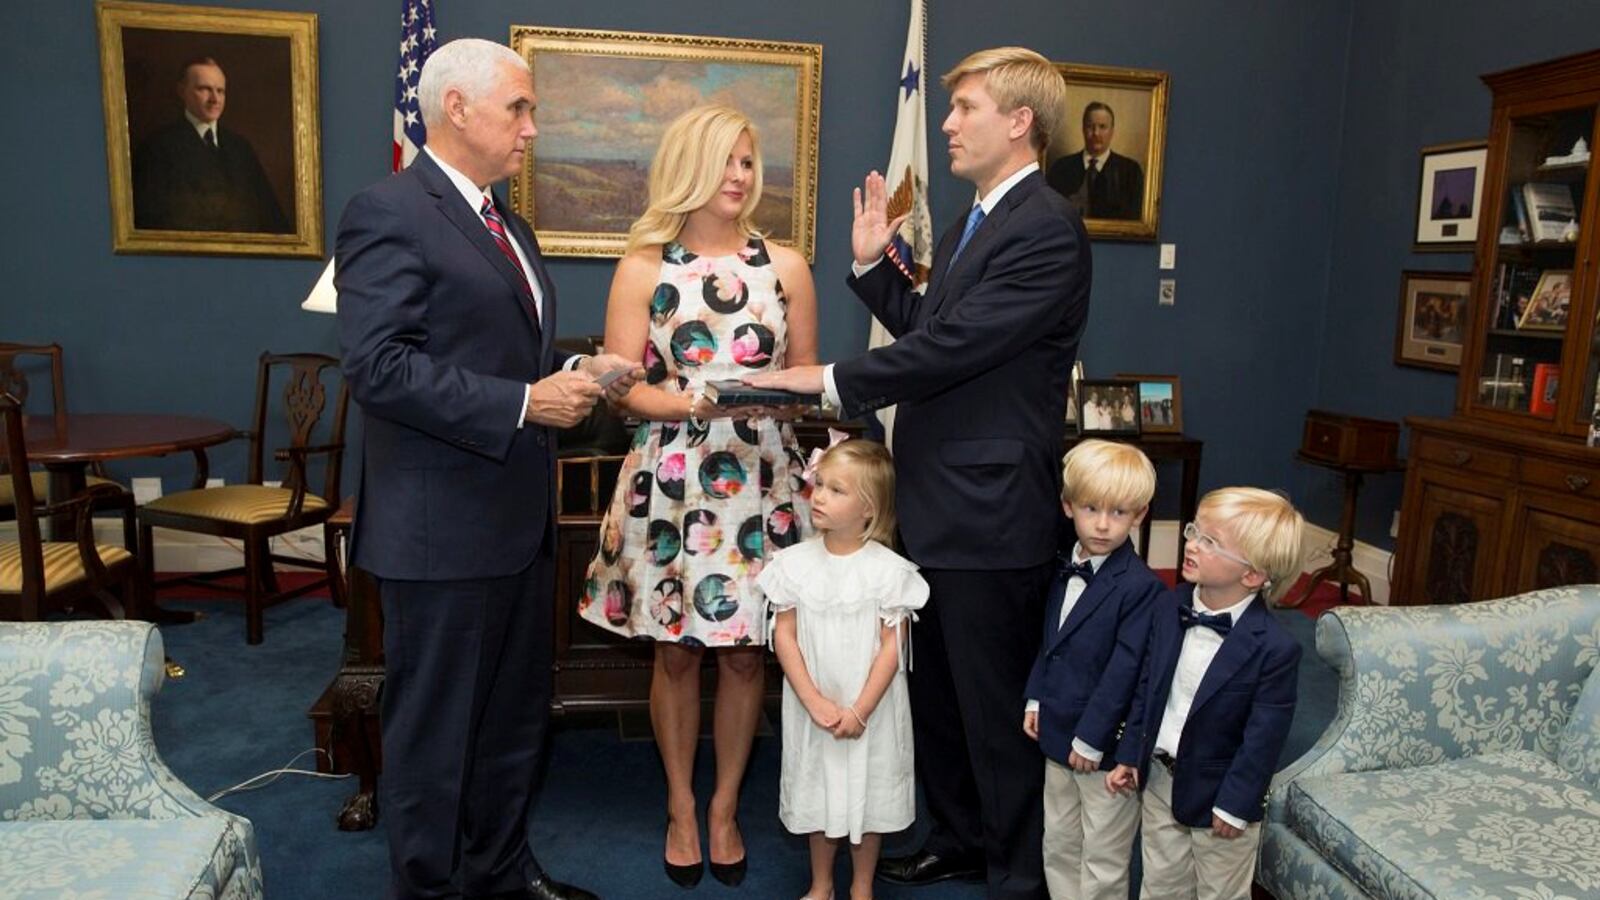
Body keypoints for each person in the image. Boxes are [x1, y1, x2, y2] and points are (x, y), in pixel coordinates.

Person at [751, 45, 1088, 899]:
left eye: (964, 107)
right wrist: (874, 268)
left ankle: (1017, 876)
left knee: (992, 708)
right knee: (936, 697)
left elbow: (959, 348)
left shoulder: (1044, 224)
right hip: (939, 502)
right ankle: (962, 838)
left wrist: (825, 380)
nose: (946, 123)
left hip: (990, 511)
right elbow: (935, 328)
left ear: (1019, 122)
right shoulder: (985, 220)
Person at [336, 38, 640, 900]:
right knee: (435, 737)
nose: (533, 130)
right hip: (439, 532)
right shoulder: (387, 209)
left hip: (515, 524)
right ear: (457, 109)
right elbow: (377, 367)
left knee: (512, 723)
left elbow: (504, 353)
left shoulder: (510, 224)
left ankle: (501, 871)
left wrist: (579, 378)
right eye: (520, 109)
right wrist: (520, 404)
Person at [575, 103, 818, 889]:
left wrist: (774, 398)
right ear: (689, 167)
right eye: (726, 162)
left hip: (762, 481)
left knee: (750, 659)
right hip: (671, 480)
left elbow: (807, 379)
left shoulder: (787, 266)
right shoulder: (644, 266)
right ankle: (680, 805)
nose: (741, 177)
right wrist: (692, 405)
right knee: (675, 654)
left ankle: (724, 806)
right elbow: (621, 389)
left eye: (749, 162)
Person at [1106, 488, 1305, 900]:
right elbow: (1148, 687)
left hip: (1222, 797)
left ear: (1252, 575)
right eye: (1195, 530)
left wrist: (1236, 804)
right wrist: (1130, 752)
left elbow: (1263, 739)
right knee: (1160, 883)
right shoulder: (1170, 605)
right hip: (1161, 778)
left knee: (1220, 892)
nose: (1191, 543)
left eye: (1210, 542)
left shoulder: (1275, 648)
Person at [760, 439, 928, 900]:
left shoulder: (890, 571)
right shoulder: (792, 564)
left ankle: (861, 884)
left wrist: (861, 709)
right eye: (820, 485)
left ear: (868, 509)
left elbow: (893, 644)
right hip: (816, 702)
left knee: (867, 792)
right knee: (820, 787)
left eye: (836, 490)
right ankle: (820, 884)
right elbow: (785, 636)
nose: (818, 496)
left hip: (867, 704)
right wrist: (813, 701)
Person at [1022, 440, 1164, 900]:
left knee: (1103, 853)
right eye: (1090, 509)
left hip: (1102, 749)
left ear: (1140, 515)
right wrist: (1036, 695)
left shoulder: (1142, 588)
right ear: (1068, 507)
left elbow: (1126, 671)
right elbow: (1051, 643)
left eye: (1119, 513)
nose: (1103, 524)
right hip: (1056, 731)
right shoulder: (1066, 568)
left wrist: (1092, 737)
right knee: (1060, 841)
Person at [131, 56, 290, 233]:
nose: (215, 99)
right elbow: (150, 222)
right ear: (182, 91)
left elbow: (271, 217)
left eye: (220, 91)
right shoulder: (157, 148)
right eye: (204, 89)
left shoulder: (241, 148)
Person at [1045, 101, 1145, 221]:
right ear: (1083, 129)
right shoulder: (1061, 168)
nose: (1096, 133)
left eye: (1102, 127)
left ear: (1112, 131)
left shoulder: (1130, 171)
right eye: (1090, 126)